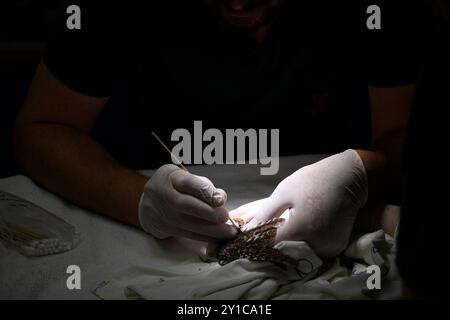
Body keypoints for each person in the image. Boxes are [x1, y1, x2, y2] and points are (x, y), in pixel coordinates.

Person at [13, 0, 419, 258]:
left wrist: (361, 171)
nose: (240, 2)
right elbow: (41, 130)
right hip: (151, 233)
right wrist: (140, 201)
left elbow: (406, 133)